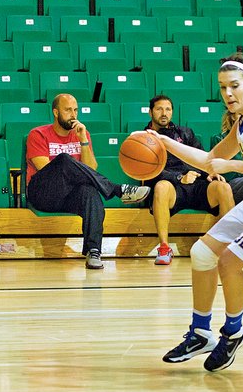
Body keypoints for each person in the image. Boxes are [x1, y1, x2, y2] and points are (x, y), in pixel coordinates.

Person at [151, 53, 243, 372]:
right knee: (202, 253)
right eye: (222, 88)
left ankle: (233, 333)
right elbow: (210, 160)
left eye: (234, 86)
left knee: (228, 261)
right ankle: (200, 332)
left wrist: (233, 165)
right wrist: (165, 144)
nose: (228, 94)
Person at [25, 94, 150, 269]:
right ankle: (117, 190)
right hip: (43, 193)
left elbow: (91, 169)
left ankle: (94, 251)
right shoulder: (38, 134)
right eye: (68, 110)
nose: (73, 115)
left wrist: (83, 140)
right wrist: (70, 165)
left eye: (75, 110)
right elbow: (46, 169)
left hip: (68, 195)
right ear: (55, 112)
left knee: (91, 194)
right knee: (63, 160)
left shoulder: (81, 134)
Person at [142, 95, 235, 266]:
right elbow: (148, 172)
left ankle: (228, 246)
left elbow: (202, 158)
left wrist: (209, 172)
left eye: (168, 109)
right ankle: (164, 247)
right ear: (150, 112)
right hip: (172, 189)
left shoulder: (186, 132)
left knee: (223, 187)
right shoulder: (144, 139)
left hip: (196, 184)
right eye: (159, 109)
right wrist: (179, 177)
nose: (164, 113)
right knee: (161, 187)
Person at [212, 108, 243, 205]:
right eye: (239, 114)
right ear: (232, 117)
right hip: (231, 183)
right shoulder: (219, 139)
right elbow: (221, 171)